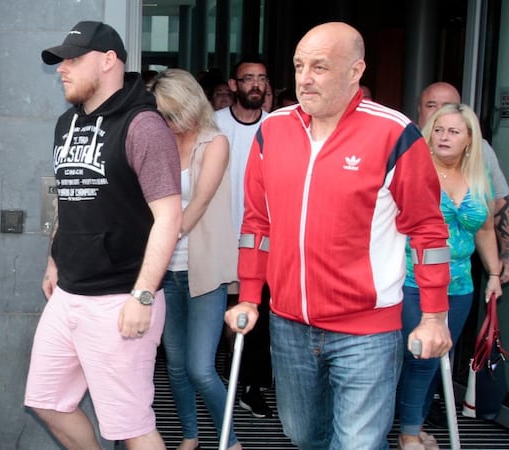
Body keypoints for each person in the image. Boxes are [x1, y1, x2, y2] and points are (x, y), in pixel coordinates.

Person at [225, 22, 453, 450]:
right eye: (298, 66)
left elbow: (428, 230)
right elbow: (258, 223)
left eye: (320, 67)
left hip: (366, 329)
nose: (304, 78)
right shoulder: (273, 130)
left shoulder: (394, 133)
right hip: (289, 322)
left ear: (355, 71)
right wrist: (251, 295)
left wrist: (435, 315)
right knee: (304, 435)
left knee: (358, 443)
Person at [24, 21, 182, 450]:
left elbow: (169, 217)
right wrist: (54, 261)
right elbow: (69, 199)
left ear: (109, 60)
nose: (62, 69)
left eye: (73, 59)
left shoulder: (144, 126)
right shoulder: (66, 124)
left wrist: (144, 295)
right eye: (61, 61)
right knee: (47, 400)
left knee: (131, 425)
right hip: (69, 293)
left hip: (120, 297)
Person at [397, 104, 503, 449]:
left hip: (459, 286)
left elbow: (486, 228)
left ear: (469, 139)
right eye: (439, 129)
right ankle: (408, 432)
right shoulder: (416, 167)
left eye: (454, 131)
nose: (444, 137)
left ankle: (415, 422)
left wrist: (494, 273)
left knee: (440, 355)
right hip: (413, 281)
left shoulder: (477, 176)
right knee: (421, 357)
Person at [149, 69, 240, 450]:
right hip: (166, 272)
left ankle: (230, 440)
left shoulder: (214, 141)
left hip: (203, 271)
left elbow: (199, 202)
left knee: (201, 368)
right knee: (175, 365)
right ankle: (190, 435)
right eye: (162, 114)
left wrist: (159, 244)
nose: (168, 122)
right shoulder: (160, 143)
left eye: (172, 113)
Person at [215, 56, 273, 418]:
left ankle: (249, 386)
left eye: (262, 79)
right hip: (220, 239)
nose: (256, 84)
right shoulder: (215, 125)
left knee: (257, 317)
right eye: (248, 78)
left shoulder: (278, 127)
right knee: (225, 315)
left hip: (265, 241)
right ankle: (227, 379)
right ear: (234, 85)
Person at [418, 82, 509, 283]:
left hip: (461, 281)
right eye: (431, 105)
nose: (440, 112)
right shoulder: (406, 151)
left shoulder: (481, 155)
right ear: (419, 109)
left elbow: (498, 208)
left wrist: (503, 258)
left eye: (447, 105)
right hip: (412, 278)